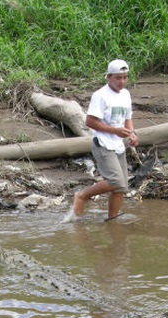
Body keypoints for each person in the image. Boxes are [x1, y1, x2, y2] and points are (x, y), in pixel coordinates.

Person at [71, 59, 139, 221]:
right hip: (103, 143)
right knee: (115, 181)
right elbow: (90, 122)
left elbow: (127, 118)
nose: (122, 82)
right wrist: (114, 130)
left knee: (121, 187)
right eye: (118, 78)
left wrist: (132, 134)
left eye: (124, 77)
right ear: (108, 77)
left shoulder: (125, 94)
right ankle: (81, 196)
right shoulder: (100, 96)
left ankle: (112, 220)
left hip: (118, 145)